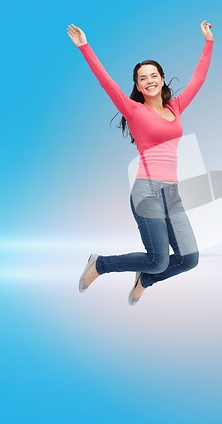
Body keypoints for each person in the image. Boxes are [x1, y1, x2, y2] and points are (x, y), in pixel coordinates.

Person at [68, 21, 214, 305]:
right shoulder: (133, 110)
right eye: (142, 78)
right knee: (158, 259)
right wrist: (85, 47)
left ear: (162, 79)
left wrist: (208, 42)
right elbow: (105, 81)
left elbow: (198, 79)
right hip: (146, 190)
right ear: (137, 85)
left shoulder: (175, 107)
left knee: (189, 258)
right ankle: (100, 264)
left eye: (153, 75)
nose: (149, 81)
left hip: (172, 193)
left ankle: (144, 279)